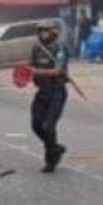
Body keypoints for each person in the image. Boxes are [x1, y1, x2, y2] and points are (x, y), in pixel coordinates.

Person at [30, 23, 71, 173]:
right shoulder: (36, 49)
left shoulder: (60, 49)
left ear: (53, 32)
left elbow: (58, 70)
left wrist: (37, 72)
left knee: (49, 127)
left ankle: (51, 160)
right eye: (40, 31)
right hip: (42, 92)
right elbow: (30, 68)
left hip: (56, 92)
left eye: (45, 31)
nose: (42, 34)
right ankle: (55, 147)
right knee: (36, 125)